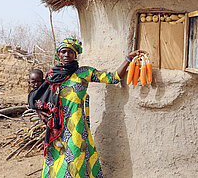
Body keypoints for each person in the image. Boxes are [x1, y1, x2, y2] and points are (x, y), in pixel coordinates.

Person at [28, 38, 142, 178]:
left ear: (76, 55)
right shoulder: (52, 75)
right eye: (63, 51)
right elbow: (39, 95)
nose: (66, 55)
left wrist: (128, 59)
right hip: (56, 128)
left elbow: (113, 78)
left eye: (70, 52)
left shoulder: (84, 72)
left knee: (75, 160)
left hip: (76, 126)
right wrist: (39, 110)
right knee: (56, 161)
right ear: (58, 54)